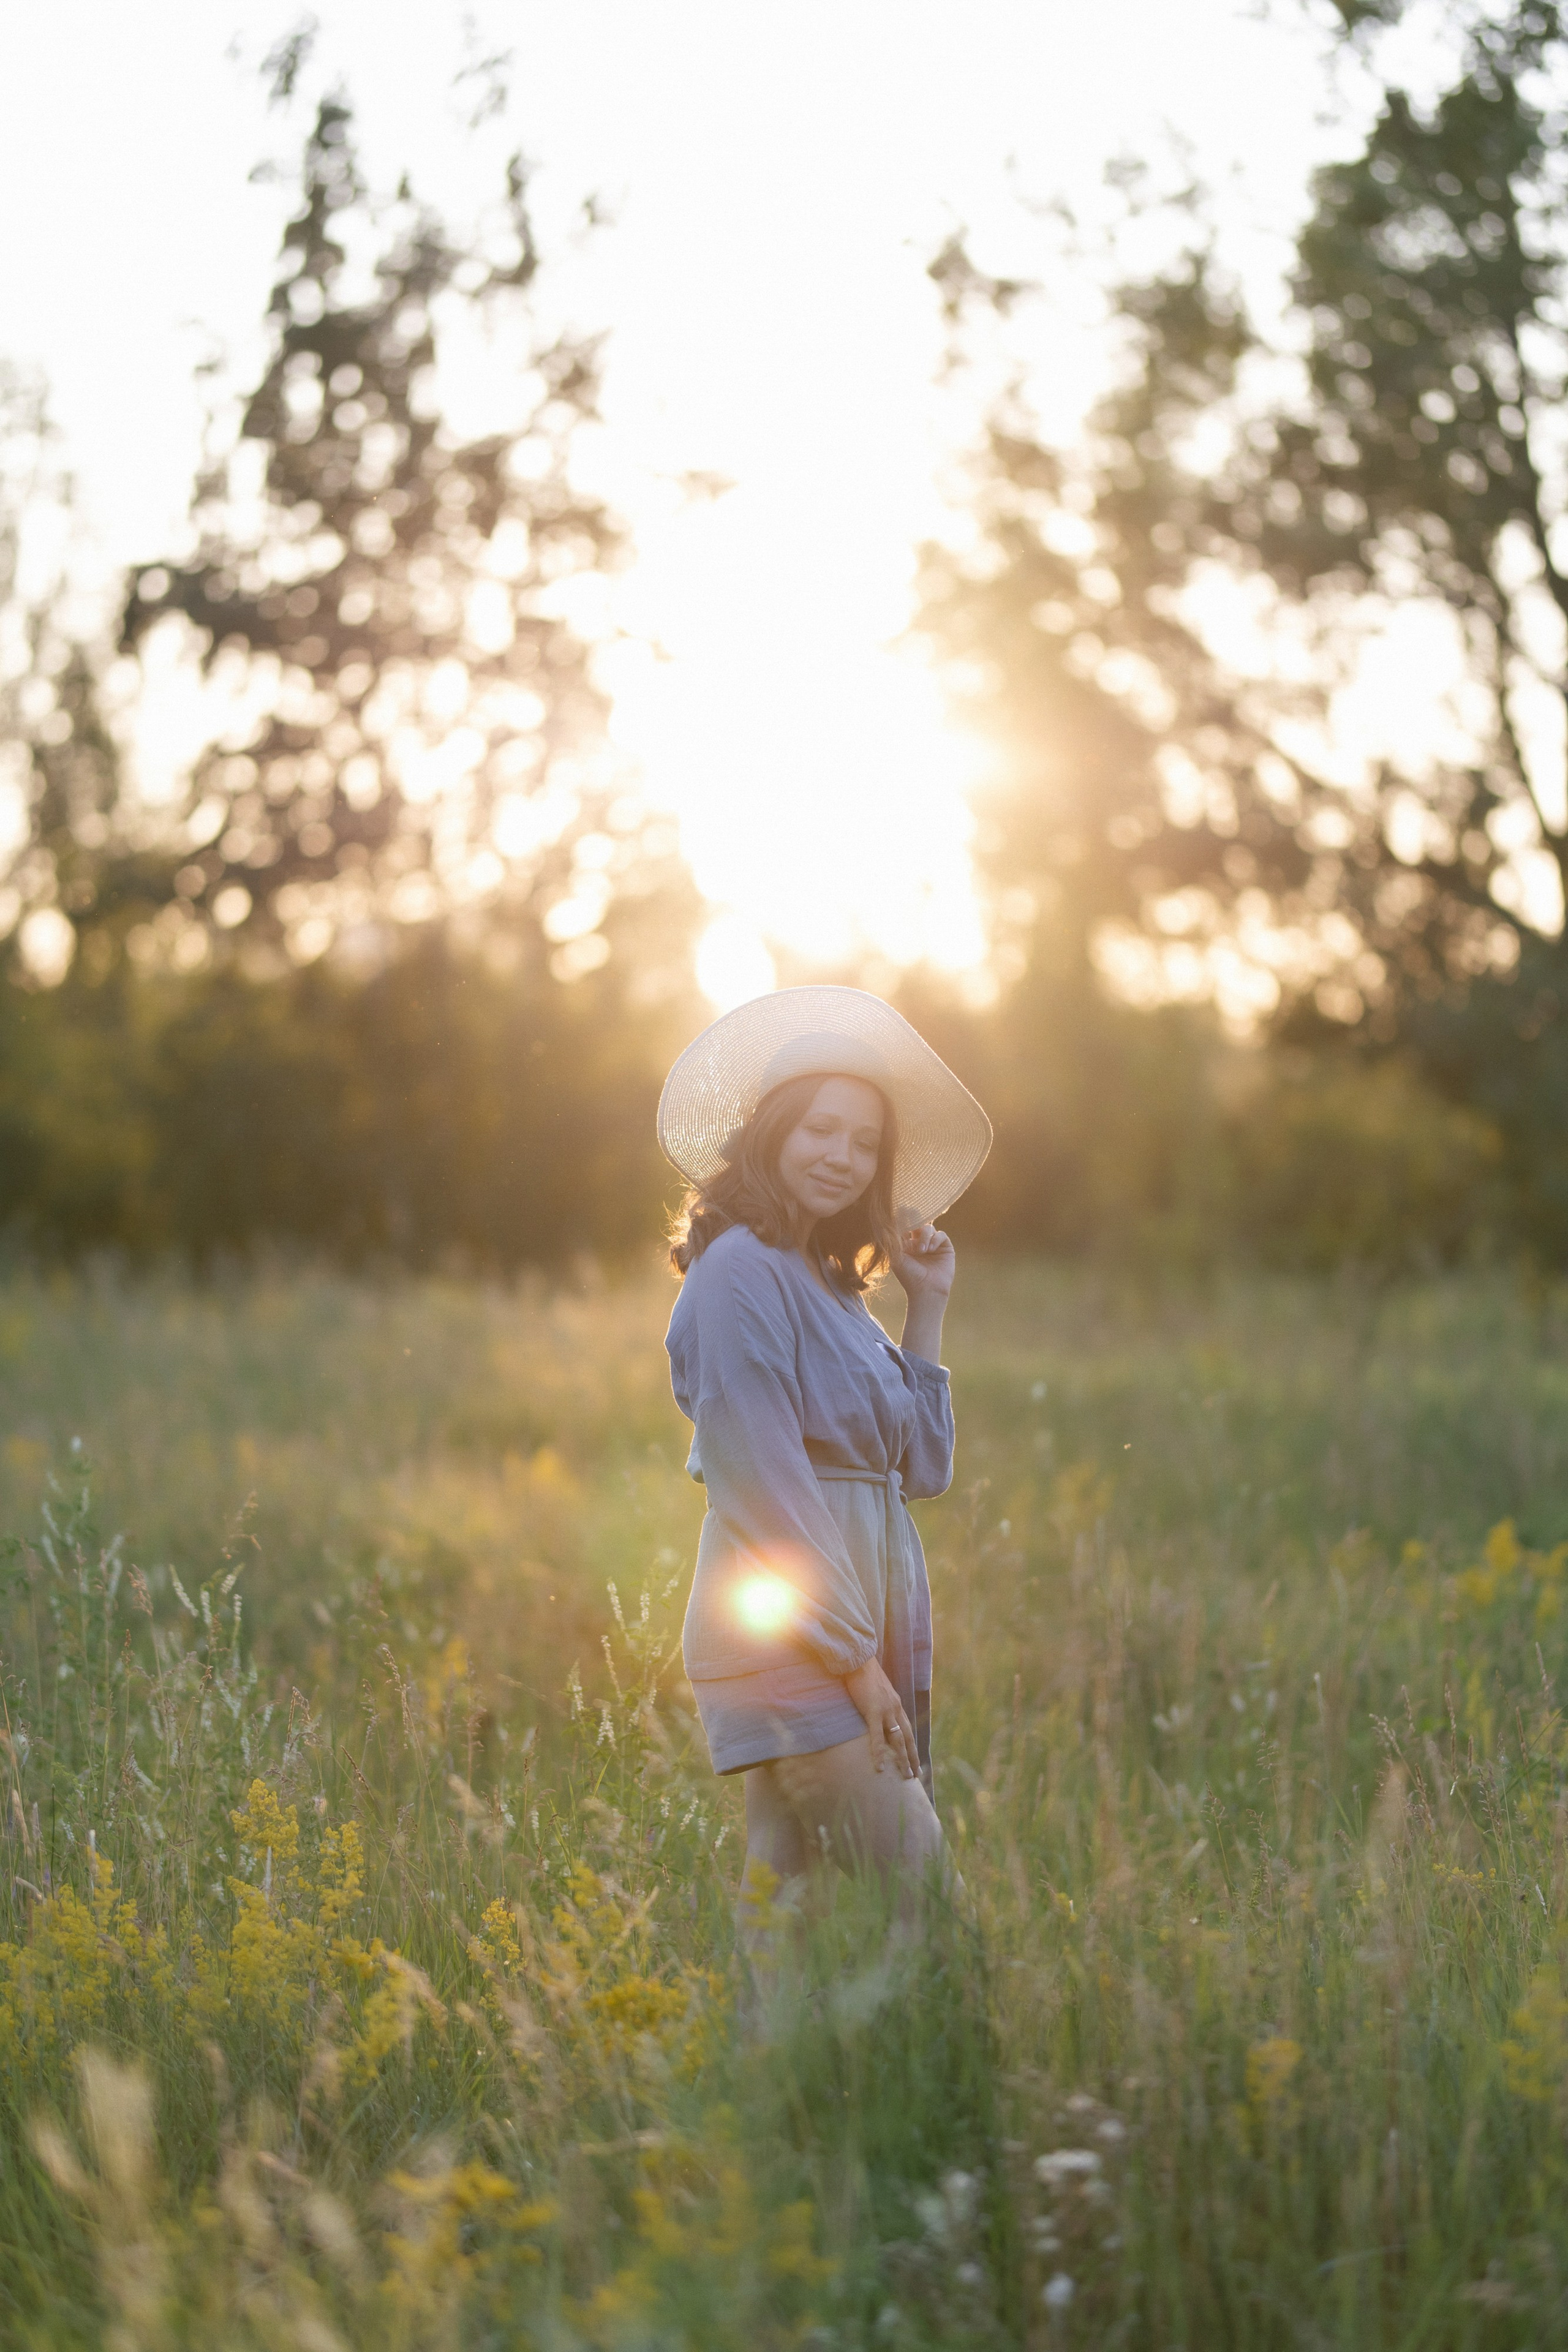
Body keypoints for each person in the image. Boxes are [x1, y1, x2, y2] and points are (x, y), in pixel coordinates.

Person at [658, 986, 991, 1951]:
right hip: (792, 1626)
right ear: (770, 1134)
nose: (840, 1156)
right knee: (921, 1889)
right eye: (820, 1130)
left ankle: (767, 2089)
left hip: (846, 1615)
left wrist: (925, 1306)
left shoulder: (830, 1286)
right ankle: (954, 2065)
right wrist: (852, 1660)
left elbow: (918, 1469)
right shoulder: (739, 1273)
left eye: (863, 1144)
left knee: (786, 1888)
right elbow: (759, 1479)